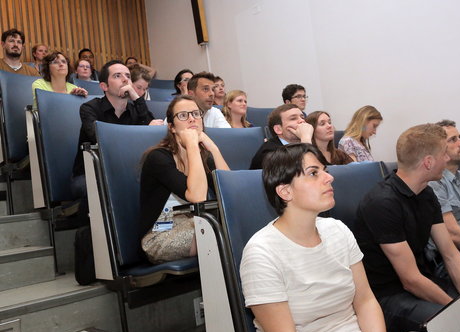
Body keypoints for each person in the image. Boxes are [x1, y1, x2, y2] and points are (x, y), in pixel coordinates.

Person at [240, 143, 396, 332]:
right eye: (314, 173)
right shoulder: (261, 252)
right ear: (285, 192)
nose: (329, 178)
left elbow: (364, 301)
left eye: (325, 170)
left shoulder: (338, 230)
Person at [355, 124, 460, 332]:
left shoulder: (427, 195)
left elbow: (450, 253)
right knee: (459, 326)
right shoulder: (382, 203)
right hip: (389, 297)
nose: (447, 160)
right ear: (428, 162)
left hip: (422, 282)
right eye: (443, 155)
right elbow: (410, 280)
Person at [139, 95, 229, 263]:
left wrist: (214, 149)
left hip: (197, 224)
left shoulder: (204, 157)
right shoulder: (158, 157)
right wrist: (193, 145)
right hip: (160, 233)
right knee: (221, 230)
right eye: (183, 115)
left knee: (230, 224)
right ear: (172, 127)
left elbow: (229, 192)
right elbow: (197, 197)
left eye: (196, 114)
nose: (191, 119)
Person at [71, 60, 161, 198]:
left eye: (128, 76)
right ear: (104, 86)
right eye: (118, 76)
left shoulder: (136, 110)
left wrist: (136, 97)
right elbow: (101, 139)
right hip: (93, 173)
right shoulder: (90, 108)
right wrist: (141, 133)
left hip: (129, 171)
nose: (125, 80)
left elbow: (152, 133)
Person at [426, 120, 460, 281]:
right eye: (453, 140)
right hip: (453, 257)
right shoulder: (433, 184)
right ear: (438, 150)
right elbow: (454, 235)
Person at [250, 104, 313, 170]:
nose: (302, 121)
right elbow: (301, 171)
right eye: (293, 118)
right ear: (278, 129)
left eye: (302, 117)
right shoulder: (269, 152)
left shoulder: (306, 142)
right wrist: (306, 139)